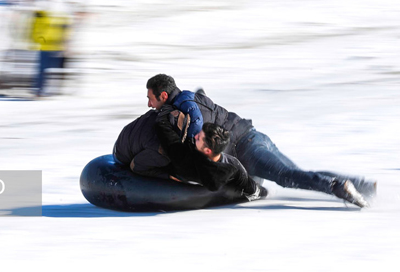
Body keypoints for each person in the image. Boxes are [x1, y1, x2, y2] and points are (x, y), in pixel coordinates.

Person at [146, 74, 375, 208]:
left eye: (150, 98)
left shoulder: (184, 106)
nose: (149, 105)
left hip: (245, 147)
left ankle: (338, 188)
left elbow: (196, 118)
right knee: (296, 172)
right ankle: (362, 185)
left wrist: (193, 151)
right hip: (254, 135)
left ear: (164, 96)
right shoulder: (189, 96)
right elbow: (203, 100)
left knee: (287, 177)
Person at [154, 105, 266, 201]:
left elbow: (168, 138)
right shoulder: (227, 162)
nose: (195, 136)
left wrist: (163, 115)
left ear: (207, 150)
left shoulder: (190, 162)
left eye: (199, 138)